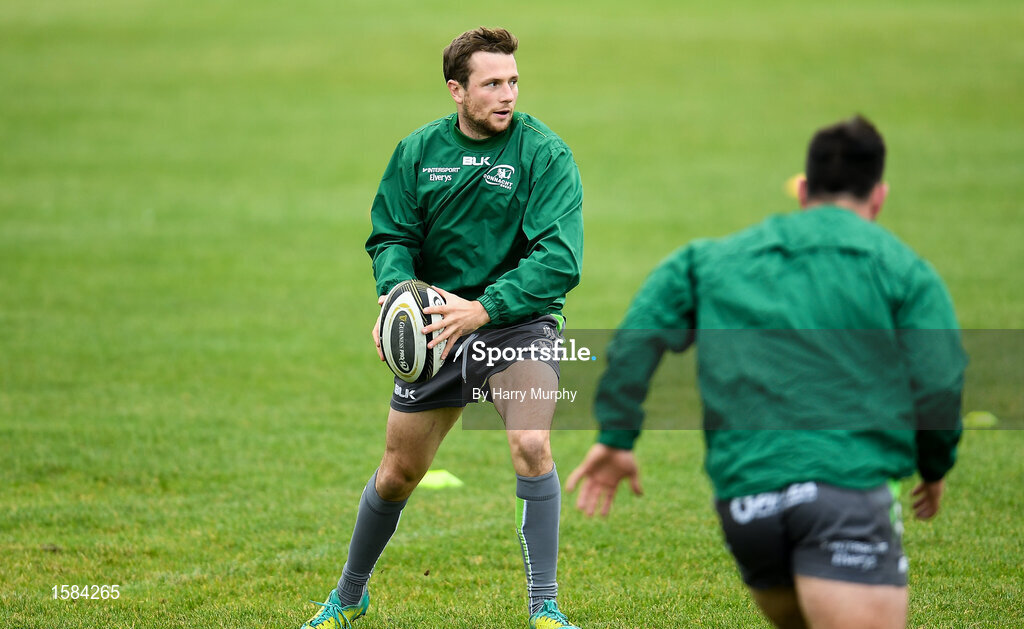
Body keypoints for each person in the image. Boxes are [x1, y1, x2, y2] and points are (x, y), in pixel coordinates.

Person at [566, 116, 965, 629]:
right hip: (842, 495)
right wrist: (934, 466)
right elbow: (940, 382)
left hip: (747, 506)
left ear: (802, 191)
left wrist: (618, 435)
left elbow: (636, 336)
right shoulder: (903, 270)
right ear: (880, 198)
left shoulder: (709, 259)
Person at [300, 27, 584, 629]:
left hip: (518, 323)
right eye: (491, 83)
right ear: (457, 90)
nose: (507, 94)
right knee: (398, 473)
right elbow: (392, 237)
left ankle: (545, 607)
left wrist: (484, 308)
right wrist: (395, 300)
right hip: (435, 330)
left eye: (512, 81)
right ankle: (349, 596)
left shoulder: (544, 154)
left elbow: (559, 258)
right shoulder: (418, 153)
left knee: (531, 445)